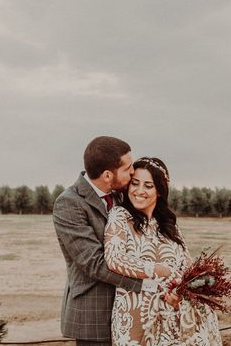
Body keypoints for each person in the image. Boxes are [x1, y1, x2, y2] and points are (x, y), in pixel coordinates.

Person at [53, 137, 164, 346]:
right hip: (93, 312)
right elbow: (94, 263)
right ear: (107, 175)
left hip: (130, 307)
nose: (132, 173)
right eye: (128, 168)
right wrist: (149, 285)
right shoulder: (68, 204)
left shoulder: (122, 196)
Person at [104, 157, 222, 345]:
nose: (139, 191)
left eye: (148, 186)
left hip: (171, 322)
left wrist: (183, 292)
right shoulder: (120, 216)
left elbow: (187, 269)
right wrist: (162, 270)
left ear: (159, 190)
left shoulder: (169, 225)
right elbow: (114, 258)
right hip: (135, 319)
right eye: (135, 183)